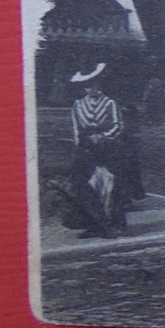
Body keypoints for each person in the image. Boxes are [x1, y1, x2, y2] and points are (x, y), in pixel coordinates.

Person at [53, 64, 127, 236]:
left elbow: (118, 126)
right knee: (82, 186)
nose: (91, 88)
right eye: (87, 85)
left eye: (94, 84)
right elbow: (76, 129)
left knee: (111, 185)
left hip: (107, 148)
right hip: (86, 150)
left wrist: (103, 136)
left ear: (99, 85)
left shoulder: (110, 103)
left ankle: (115, 225)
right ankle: (93, 224)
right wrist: (82, 145)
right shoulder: (78, 105)